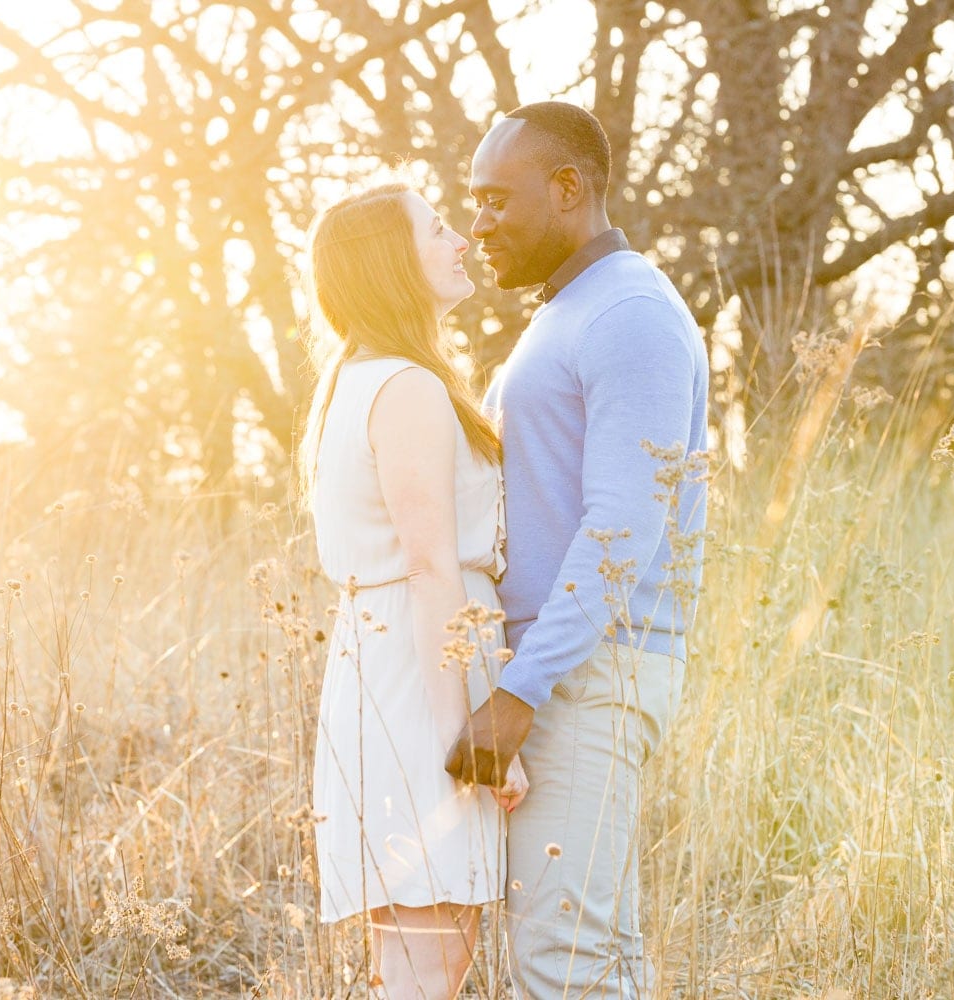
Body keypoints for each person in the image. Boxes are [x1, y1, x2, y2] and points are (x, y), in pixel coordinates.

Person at [445, 103, 710, 997]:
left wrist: (519, 690)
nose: (478, 224)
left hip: (589, 674)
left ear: (568, 189)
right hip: (573, 669)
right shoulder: (570, 311)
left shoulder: (631, 313)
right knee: (595, 955)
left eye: (493, 200)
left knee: (562, 960)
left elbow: (621, 528)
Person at [299, 182, 528, 1000]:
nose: (461, 238)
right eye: (437, 229)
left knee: (418, 962)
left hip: (385, 664)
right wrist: (472, 737)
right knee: (429, 963)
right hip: (419, 679)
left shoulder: (356, 380)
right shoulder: (405, 386)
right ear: (394, 263)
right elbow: (433, 566)